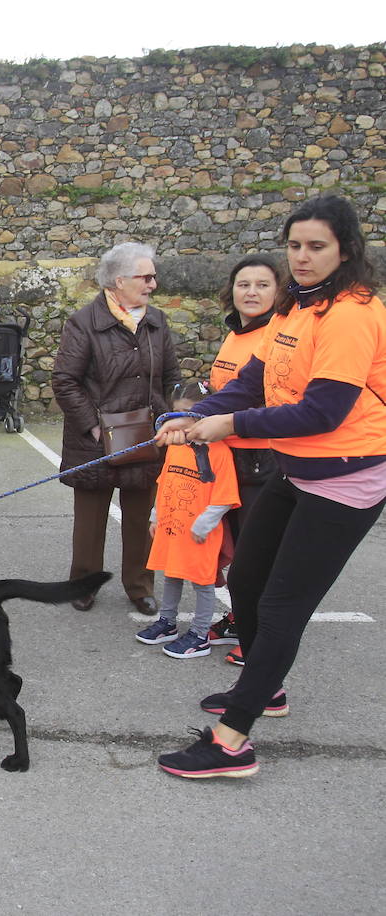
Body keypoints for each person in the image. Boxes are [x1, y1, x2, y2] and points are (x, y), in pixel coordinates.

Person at [154, 195, 386, 779]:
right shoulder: (296, 307)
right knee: (249, 578)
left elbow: (323, 412)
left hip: (349, 473)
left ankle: (232, 742)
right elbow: (256, 379)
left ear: (346, 249)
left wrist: (229, 425)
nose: (302, 258)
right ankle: (267, 687)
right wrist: (194, 415)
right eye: (295, 246)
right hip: (298, 466)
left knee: (283, 604)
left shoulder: (353, 314)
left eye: (316, 247)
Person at [52, 241, 180, 615]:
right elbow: (65, 381)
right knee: (90, 522)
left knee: (141, 519)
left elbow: (171, 377)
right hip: (96, 440)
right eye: (146, 277)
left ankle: (140, 586)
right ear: (118, 280)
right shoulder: (83, 323)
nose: (153, 284)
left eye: (153, 276)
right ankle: (84, 584)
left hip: (146, 436)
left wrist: (174, 415)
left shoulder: (157, 321)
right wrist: (93, 427)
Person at [205, 254, 283, 666]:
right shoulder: (236, 334)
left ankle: (260, 635)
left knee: (258, 554)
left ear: (279, 292)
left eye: (262, 285)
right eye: (243, 284)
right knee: (235, 549)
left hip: (262, 459)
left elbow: (264, 396)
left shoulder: (276, 336)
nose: (251, 292)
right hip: (228, 458)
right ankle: (241, 616)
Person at [134, 380, 239, 658]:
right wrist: (156, 515)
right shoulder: (176, 447)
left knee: (203, 584)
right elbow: (164, 483)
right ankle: (167, 623)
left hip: (199, 532)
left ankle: (200, 635)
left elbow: (225, 496)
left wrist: (205, 523)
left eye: (193, 413)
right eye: (178, 413)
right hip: (172, 529)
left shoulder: (219, 452)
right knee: (171, 575)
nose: (186, 421)